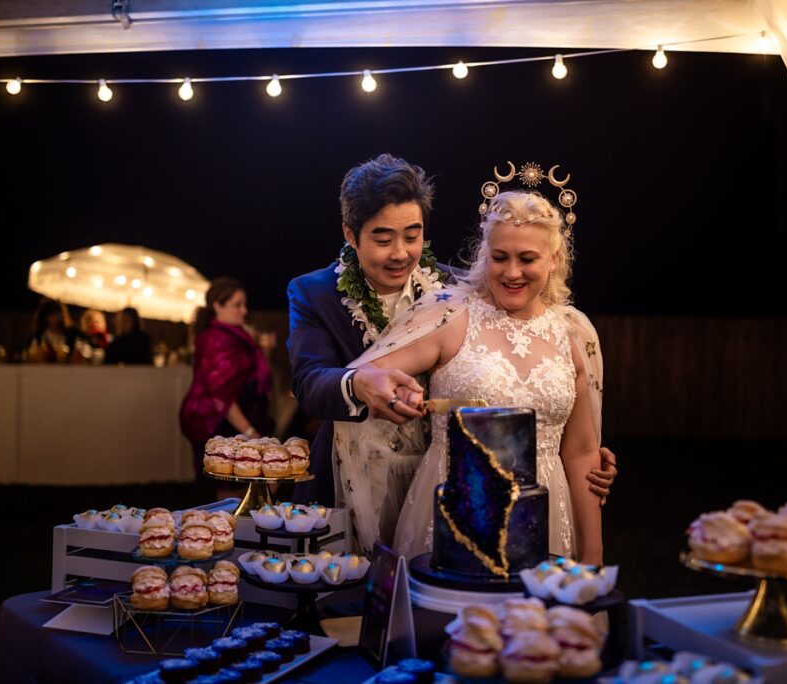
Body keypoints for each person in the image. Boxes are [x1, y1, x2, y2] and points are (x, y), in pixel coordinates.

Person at [336, 190, 604, 565]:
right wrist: (396, 394)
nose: (512, 272)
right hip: (454, 508)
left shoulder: (576, 333)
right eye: (500, 257)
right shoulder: (448, 315)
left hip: (545, 514)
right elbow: (364, 375)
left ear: (554, 259)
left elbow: (581, 454)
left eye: (527, 259)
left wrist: (592, 556)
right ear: (484, 254)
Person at [287, 154, 459, 508]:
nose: (400, 253)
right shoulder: (313, 292)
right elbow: (308, 381)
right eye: (383, 240)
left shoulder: (453, 286)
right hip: (344, 477)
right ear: (351, 234)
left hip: (438, 474)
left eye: (413, 236)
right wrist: (358, 383)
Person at [179, 277, 273, 478]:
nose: (244, 311)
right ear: (217, 306)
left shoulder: (235, 335)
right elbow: (221, 396)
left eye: (244, 304)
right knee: (231, 491)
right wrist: (250, 433)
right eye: (237, 305)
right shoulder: (216, 339)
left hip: (237, 421)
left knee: (256, 484)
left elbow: (248, 377)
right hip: (220, 425)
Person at [25, 298, 78, 363]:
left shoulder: (70, 335)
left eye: (57, 313)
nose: (55, 317)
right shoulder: (38, 335)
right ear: (44, 316)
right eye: (51, 314)